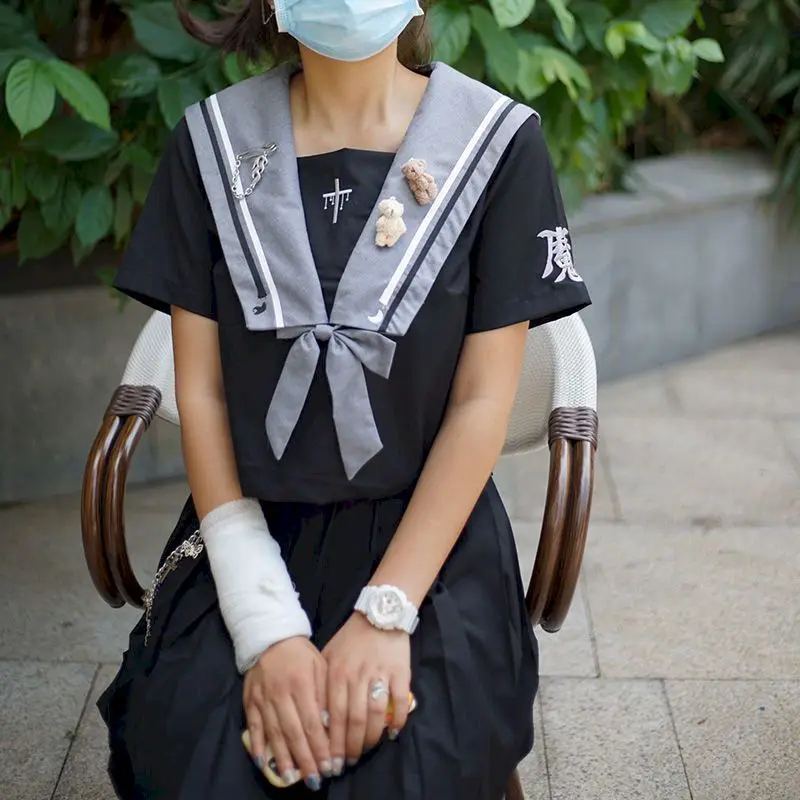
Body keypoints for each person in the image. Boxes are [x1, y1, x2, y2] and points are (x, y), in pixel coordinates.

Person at [98, 0, 592, 798]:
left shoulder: (497, 144)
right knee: (210, 766)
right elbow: (206, 394)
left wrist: (387, 612)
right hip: (248, 530)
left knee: (404, 773)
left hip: (430, 541)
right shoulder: (213, 145)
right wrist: (263, 625)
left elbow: (479, 402)